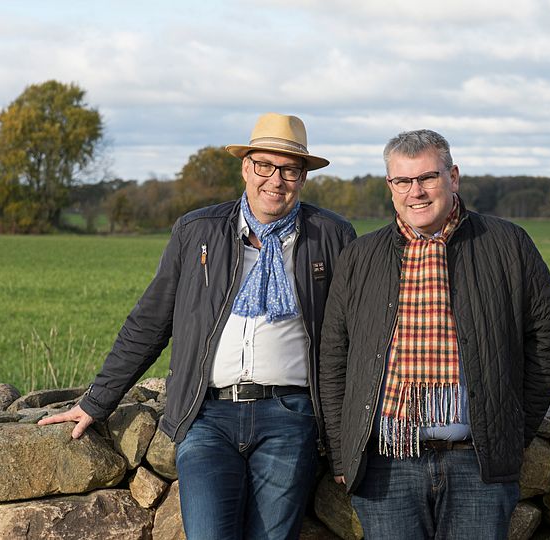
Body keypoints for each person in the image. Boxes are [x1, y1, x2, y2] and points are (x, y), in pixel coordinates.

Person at [40, 112, 356, 539]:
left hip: (290, 415)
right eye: (264, 165)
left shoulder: (331, 235)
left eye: (289, 169)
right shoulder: (197, 231)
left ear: (303, 178)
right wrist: (97, 402)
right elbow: (150, 322)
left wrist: (343, 441)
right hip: (207, 414)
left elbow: (351, 338)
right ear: (245, 167)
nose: (275, 179)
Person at [319, 129, 550, 539]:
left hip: (477, 463)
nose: (415, 191)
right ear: (390, 186)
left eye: (427, 178)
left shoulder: (507, 244)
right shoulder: (361, 256)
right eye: (403, 181)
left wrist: (511, 429)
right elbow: (334, 357)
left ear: (453, 177)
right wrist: (344, 453)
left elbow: (548, 338)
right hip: (386, 464)